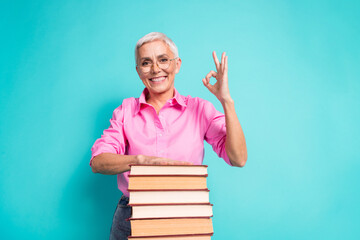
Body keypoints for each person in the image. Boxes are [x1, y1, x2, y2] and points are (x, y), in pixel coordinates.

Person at [90, 32, 247, 240]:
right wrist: (141, 161)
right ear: (138, 71)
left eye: (163, 60)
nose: (156, 69)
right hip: (133, 215)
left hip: (186, 213)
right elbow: (98, 162)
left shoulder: (199, 109)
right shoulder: (125, 111)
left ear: (177, 64)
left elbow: (238, 159)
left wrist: (226, 101)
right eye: (146, 63)